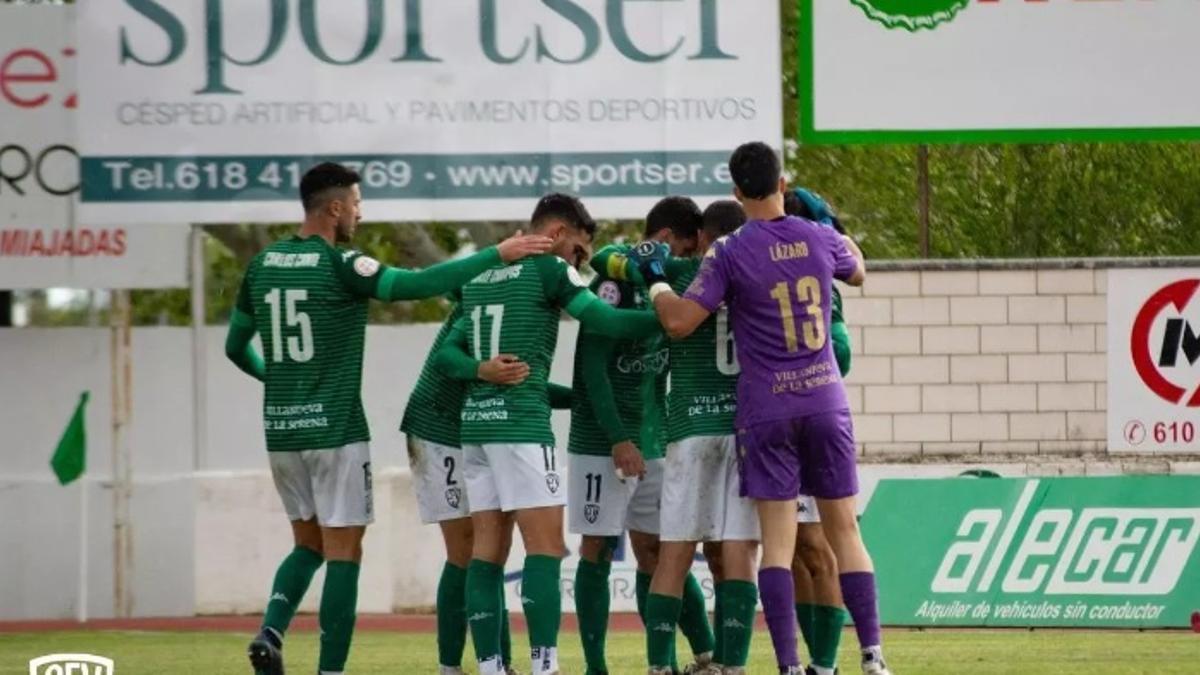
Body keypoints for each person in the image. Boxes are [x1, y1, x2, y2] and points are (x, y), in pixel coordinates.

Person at [224, 161, 552, 675]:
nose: (359, 212)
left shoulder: (262, 264)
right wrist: (496, 253)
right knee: (344, 553)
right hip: (335, 431)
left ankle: (272, 628)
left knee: (306, 543)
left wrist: (283, 382)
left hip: (282, 433)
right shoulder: (342, 265)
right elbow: (417, 283)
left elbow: (234, 347)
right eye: (355, 203)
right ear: (334, 208)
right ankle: (329, 670)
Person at [633, 142, 889, 675]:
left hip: (768, 407)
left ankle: (789, 666)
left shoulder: (729, 250)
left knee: (775, 546)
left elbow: (680, 322)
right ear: (781, 182)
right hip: (825, 399)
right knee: (846, 533)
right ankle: (872, 656)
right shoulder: (818, 236)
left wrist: (656, 280)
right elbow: (860, 271)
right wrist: (833, 222)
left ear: (735, 191)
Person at [434, 193, 664, 675]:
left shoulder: (478, 271)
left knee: (486, 554)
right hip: (521, 426)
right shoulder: (548, 270)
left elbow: (447, 357)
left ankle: (493, 666)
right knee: (544, 547)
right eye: (579, 249)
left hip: (475, 428)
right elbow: (603, 319)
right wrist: (669, 320)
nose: (580, 261)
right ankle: (544, 665)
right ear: (556, 234)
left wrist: (480, 368)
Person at [566, 196, 714, 675]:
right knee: (598, 548)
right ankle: (595, 666)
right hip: (600, 443)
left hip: (656, 440)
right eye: (687, 249)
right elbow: (592, 369)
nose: (691, 260)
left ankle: (695, 657)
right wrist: (617, 438)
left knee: (660, 551)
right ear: (668, 239)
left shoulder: (674, 283)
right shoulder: (612, 281)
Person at [783, 187, 856, 675]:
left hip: (808, 424)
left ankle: (825, 664)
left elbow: (843, 356)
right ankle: (812, 664)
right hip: (770, 426)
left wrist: (800, 366)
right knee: (789, 553)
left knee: (815, 546)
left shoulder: (818, 271)